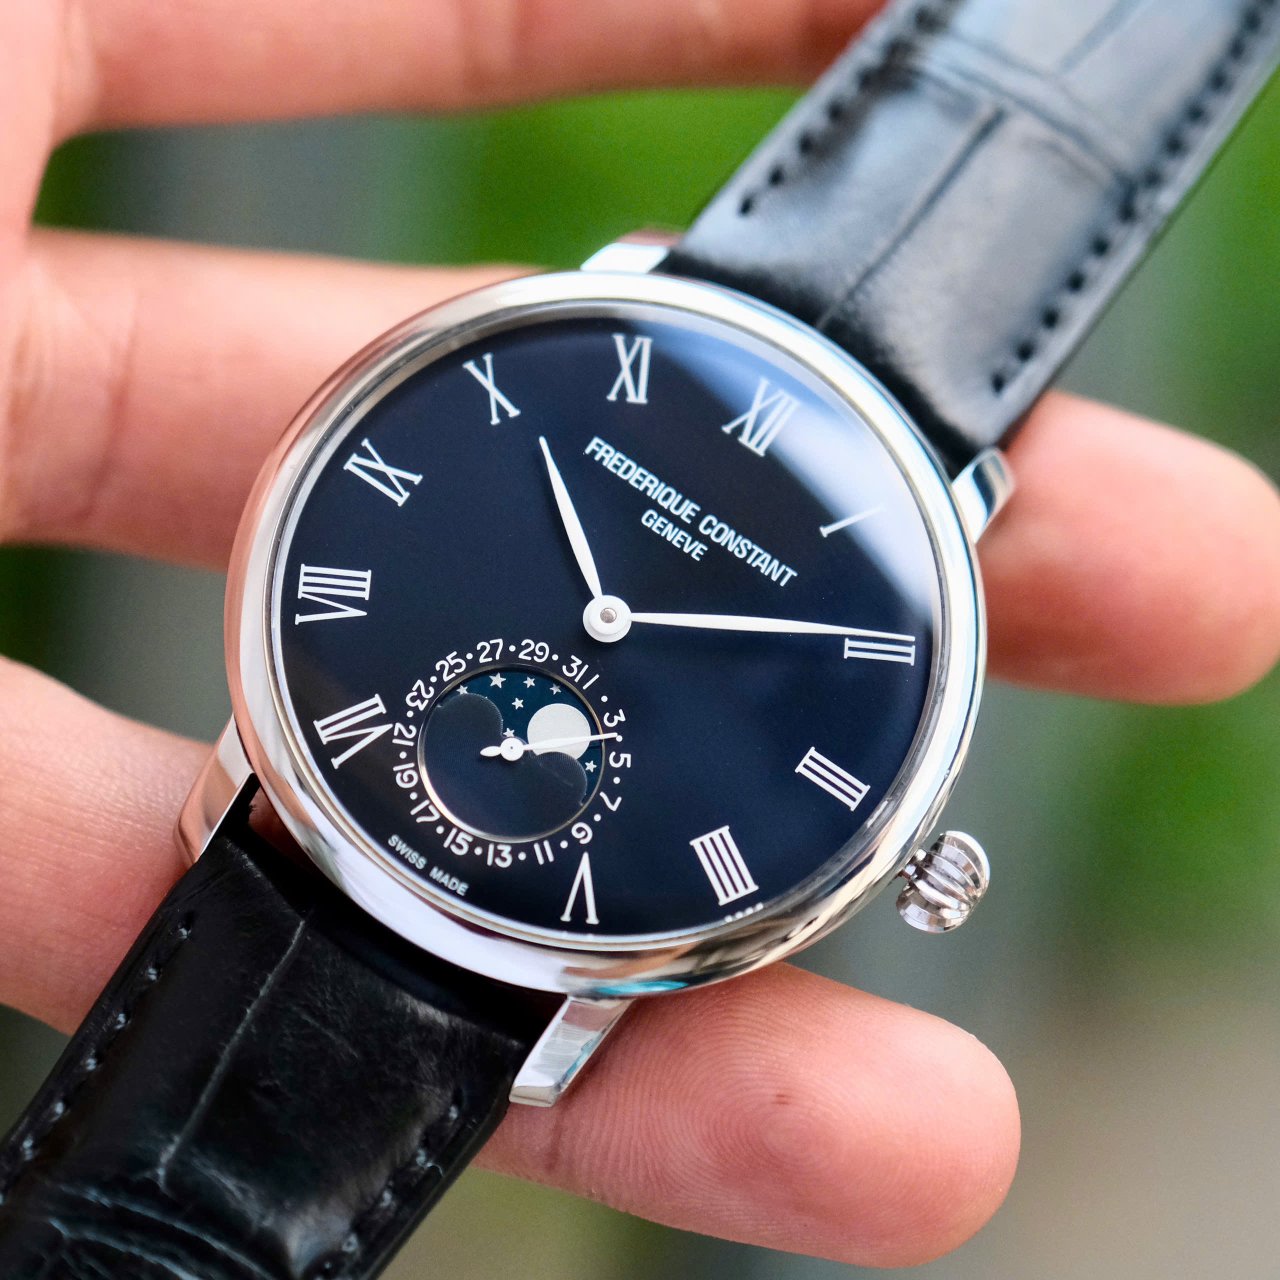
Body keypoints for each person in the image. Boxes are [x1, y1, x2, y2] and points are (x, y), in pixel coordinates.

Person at [0, 1, 1276, 1269]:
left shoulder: (885, 568)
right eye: (606, 603)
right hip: (303, 804)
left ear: (911, 856)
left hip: (503, 936)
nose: (607, 617)